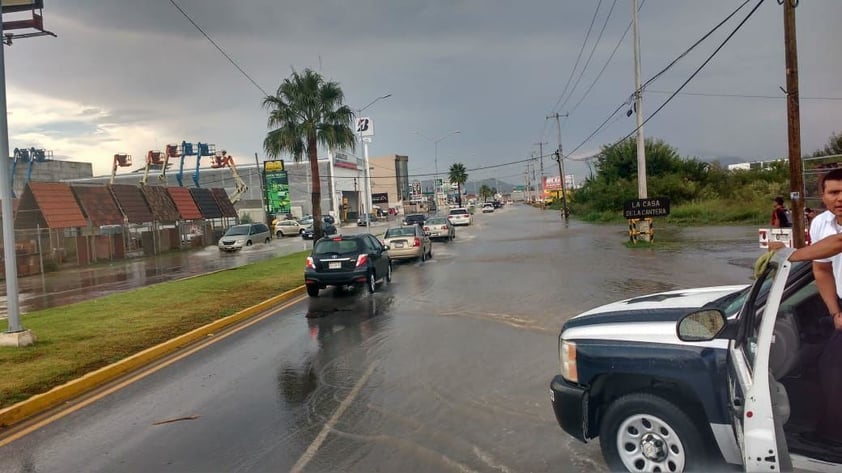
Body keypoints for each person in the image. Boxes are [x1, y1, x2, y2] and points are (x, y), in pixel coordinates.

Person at [771, 168, 842, 443]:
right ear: (822, 196)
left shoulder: (831, 234)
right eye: (834, 192)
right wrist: (835, 311)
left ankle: (832, 438)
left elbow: (837, 244)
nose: (839, 198)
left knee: (833, 368)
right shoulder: (820, 223)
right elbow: (822, 270)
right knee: (815, 362)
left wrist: (791, 254)